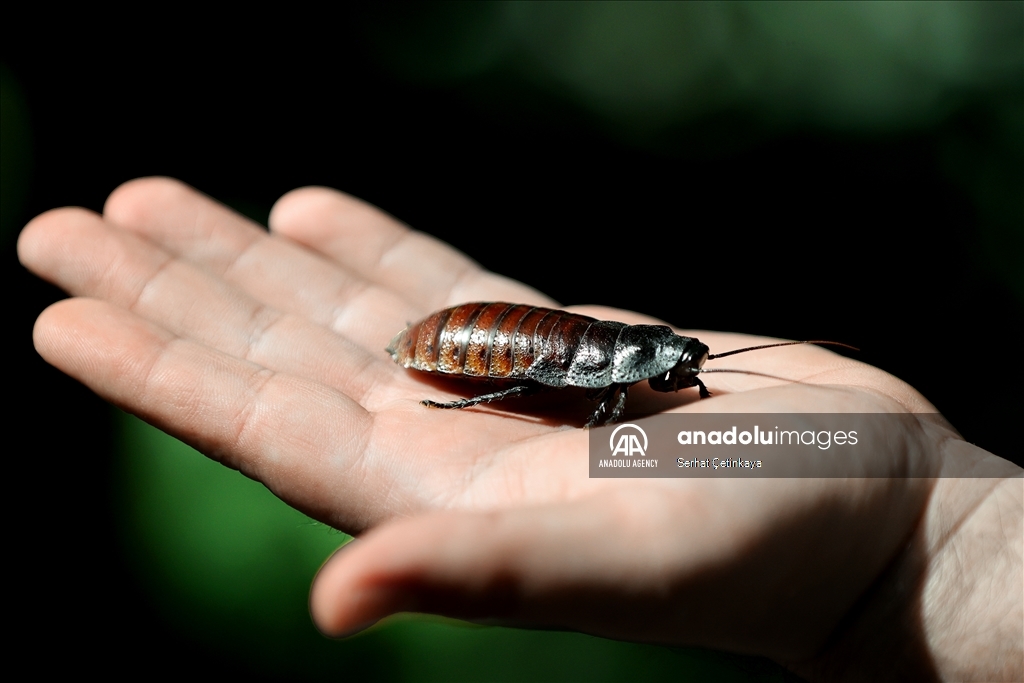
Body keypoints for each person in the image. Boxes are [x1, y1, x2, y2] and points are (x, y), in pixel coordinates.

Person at [19, 178, 1021, 682]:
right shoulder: (597, 382)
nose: (682, 380)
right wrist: (938, 542)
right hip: (488, 344)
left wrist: (931, 542)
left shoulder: (632, 382)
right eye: (670, 370)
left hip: (538, 344)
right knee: (534, 365)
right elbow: (570, 379)